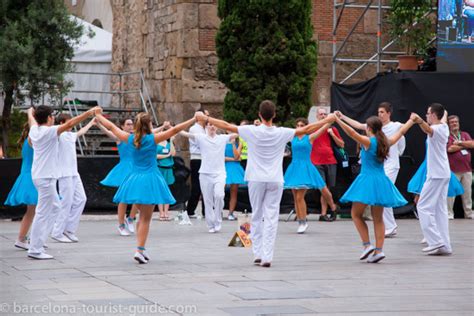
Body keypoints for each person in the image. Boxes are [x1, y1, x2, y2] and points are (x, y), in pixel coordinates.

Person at [196, 100, 337, 267]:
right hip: (275, 179)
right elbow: (306, 129)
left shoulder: (251, 131)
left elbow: (227, 125)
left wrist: (206, 119)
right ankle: (267, 256)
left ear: (259, 115)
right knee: (271, 217)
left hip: (256, 179)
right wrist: (329, 119)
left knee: (257, 214)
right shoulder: (282, 132)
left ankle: (258, 253)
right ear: (274, 115)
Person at [95, 110, 197, 264]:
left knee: (139, 216)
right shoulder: (152, 139)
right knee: (145, 218)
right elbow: (175, 130)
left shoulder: (130, 138)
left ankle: (141, 247)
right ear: (149, 124)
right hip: (149, 179)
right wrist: (194, 118)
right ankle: (139, 250)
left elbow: (111, 126)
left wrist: (98, 115)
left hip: (134, 180)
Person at [335, 114, 414, 263]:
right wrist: (411, 120)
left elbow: (351, 133)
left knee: (356, 214)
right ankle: (379, 250)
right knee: (378, 218)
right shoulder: (385, 142)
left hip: (367, 180)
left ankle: (367, 245)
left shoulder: (368, 142)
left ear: (369, 128)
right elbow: (401, 132)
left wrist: (337, 120)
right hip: (381, 181)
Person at [27, 105, 97, 260]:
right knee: (42, 212)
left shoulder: (35, 130)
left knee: (55, 207)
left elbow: (32, 120)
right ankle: (34, 247)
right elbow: (70, 124)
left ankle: (37, 241)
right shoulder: (48, 131)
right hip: (45, 178)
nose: (53, 117)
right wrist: (88, 113)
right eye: (51, 115)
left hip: (42, 176)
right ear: (49, 118)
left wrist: (30, 113)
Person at [337, 102, 406, 237]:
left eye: (382, 112)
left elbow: (402, 133)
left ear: (388, 113)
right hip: (376, 167)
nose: (379, 114)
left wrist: (414, 120)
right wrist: (342, 117)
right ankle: (388, 227)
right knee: (380, 196)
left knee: (383, 195)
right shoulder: (373, 128)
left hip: (390, 165)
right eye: (378, 112)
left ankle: (390, 227)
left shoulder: (395, 126)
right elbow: (356, 126)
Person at [181, 123, 239, 232]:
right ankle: (211, 224)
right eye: (209, 125)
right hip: (205, 173)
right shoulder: (201, 137)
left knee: (219, 195)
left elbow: (238, 133)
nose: (212, 127)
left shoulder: (223, 138)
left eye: (214, 125)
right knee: (207, 200)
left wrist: (255, 127)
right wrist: (173, 128)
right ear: (206, 127)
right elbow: (185, 133)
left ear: (217, 127)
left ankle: (218, 220)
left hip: (219, 173)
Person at [284, 118, 340, 234]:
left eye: (302, 125)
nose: (299, 127)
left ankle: (303, 221)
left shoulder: (310, 137)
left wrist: (330, 120)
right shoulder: (292, 138)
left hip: (305, 168)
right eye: (297, 125)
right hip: (294, 168)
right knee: (295, 197)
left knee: (300, 197)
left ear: (306, 127)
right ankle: (300, 220)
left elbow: (323, 128)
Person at [411, 104, 452, 256]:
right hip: (442, 173)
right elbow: (442, 118)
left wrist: (418, 120)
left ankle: (435, 241)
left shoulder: (439, 129)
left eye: (428, 113)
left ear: (434, 115)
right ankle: (445, 245)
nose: (426, 115)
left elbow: (428, 129)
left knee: (422, 206)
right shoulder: (444, 126)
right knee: (440, 210)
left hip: (436, 174)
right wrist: (444, 112)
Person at [51, 114, 95, 243]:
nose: (71, 124)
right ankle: (57, 232)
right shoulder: (57, 135)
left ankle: (69, 229)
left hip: (74, 173)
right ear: (62, 123)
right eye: (68, 122)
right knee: (66, 202)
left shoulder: (71, 135)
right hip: (64, 174)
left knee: (82, 199)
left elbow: (81, 131)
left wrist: (91, 122)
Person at [98, 118, 139, 236]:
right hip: (125, 169)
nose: (131, 126)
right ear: (122, 126)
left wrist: (163, 128)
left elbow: (151, 132)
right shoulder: (119, 137)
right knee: (124, 198)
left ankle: (130, 218)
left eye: (132, 124)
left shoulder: (136, 137)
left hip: (136, 168)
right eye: (128, 124)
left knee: (139, 196)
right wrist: (99, 124)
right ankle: (121, 225)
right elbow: (108, 131)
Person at [4, 123, 37, 250]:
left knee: (33, 211)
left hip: (29, 176)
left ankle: (27, 238)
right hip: (30, 177)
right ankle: (23, 238)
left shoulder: (29, 139)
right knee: (34, 211)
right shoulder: (32, 139)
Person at [310, 108, 345, 222]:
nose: (323, 116)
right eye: (321, 114)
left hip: (330, 160)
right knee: (322, 187)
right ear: (317, 116)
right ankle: (334, 207)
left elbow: (342, 145)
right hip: (316, 161)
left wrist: (333, 135)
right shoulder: (313, 127)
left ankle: (323, 214)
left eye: (325, 114)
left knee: (326, 188)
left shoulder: (332, 129)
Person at [447, 115, 473, 219]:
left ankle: (469, 214)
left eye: (456, 122)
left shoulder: (464, 134)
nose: (454, 124)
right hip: (453, 170)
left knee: (467, 194)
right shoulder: (447, 136)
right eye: (452, 122)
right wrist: (464, 145)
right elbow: (450, 149)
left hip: (467, 170)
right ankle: (449, 214)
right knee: (451, 194)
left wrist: (460, 142)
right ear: (448, 124)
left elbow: (472, 144)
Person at [186, 108, 209, 218]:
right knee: (197, 185)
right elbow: (203, 143)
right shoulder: (194, 128)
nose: (208, 117)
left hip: (206, 158)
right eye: (206, 115)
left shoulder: (205, 128)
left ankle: (206, 211)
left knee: (207, 184)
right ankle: (190, 210)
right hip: (197, 159)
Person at [225, 130, 246, 221]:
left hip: (235, 169)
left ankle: (230, 213)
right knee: (220, 192)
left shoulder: (239, 143)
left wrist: (233, 144)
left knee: (234, 192)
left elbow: (237, 157)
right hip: (224, 168)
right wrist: (234, 159)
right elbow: (221, 157)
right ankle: (218, 211)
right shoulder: (222, 142)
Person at [156, 122, 176, 221]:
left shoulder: (168, 144)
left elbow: (173, 153)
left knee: (167, 189)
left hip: (168, 168)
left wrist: (171, 141)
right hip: (159, 168)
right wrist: (166, 156)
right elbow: (155, 156)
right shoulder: (156, 143)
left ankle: (166, 212)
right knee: (160, 189)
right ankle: (161, 212)